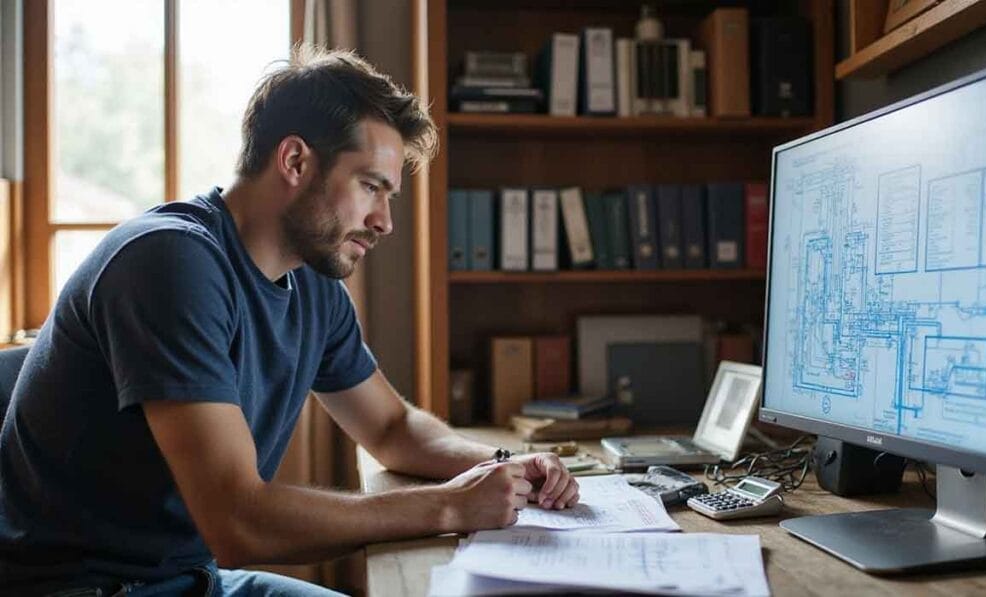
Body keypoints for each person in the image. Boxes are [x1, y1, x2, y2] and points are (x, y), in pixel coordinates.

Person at [0, 47, 579, 596]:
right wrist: (449, 505)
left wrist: (507, 467)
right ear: (296, 160)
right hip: (80, 587)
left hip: (188, 580)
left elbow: (392, 430)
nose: (384, 221)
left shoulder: (312, 282)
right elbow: (236, 521)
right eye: (371, 187)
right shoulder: (169, 262)